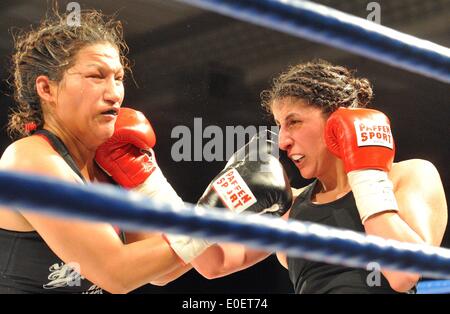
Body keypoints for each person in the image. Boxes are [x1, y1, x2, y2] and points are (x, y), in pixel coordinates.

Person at [190, 60, 448, 293]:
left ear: (337, 119)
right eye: (279, 126)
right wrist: (210, 204)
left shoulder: (409, 176)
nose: (282, 141)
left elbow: (403, 275)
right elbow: (213, 263)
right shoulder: (290, 206)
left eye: (294, 122)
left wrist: (366, 175)